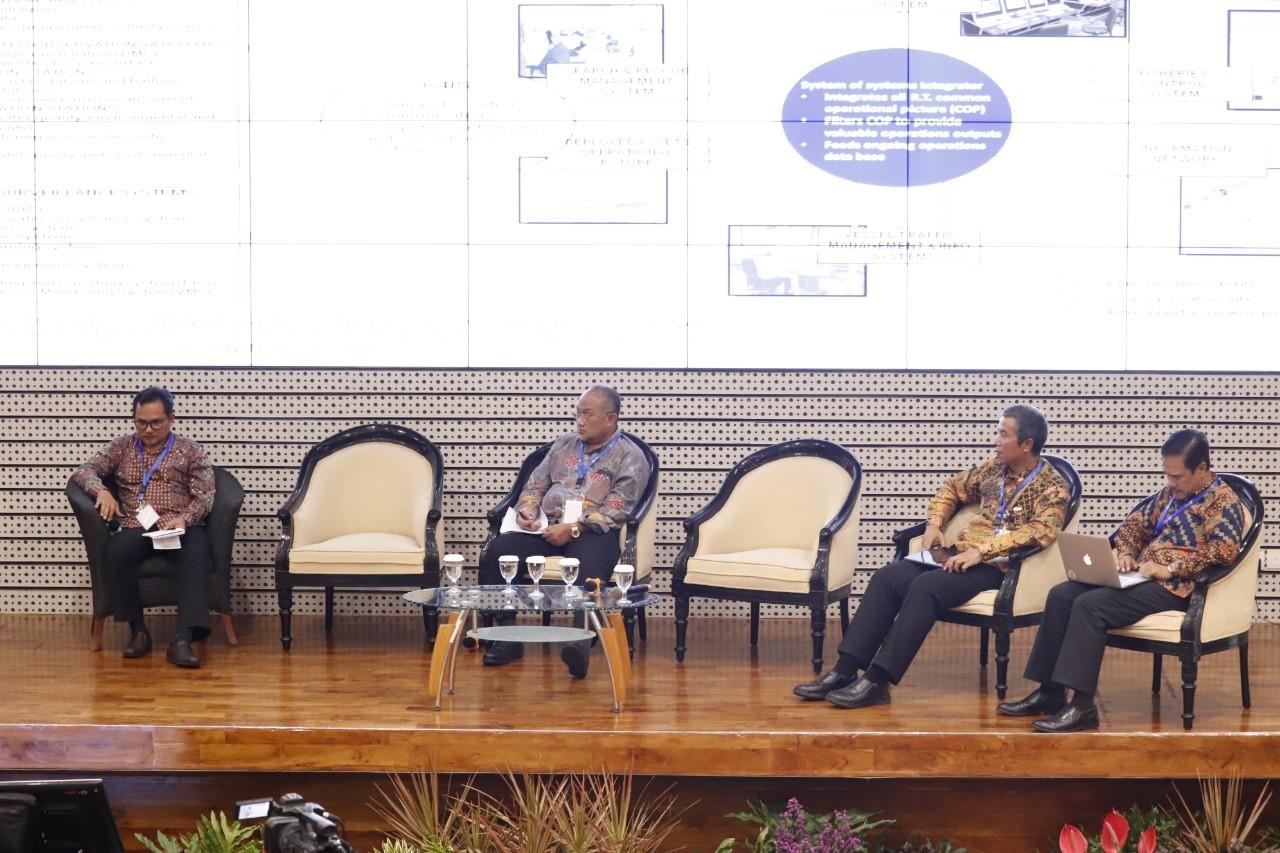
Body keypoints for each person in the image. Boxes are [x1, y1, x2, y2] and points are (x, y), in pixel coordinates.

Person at [793, 404, 1071, 709]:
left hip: (998, 567)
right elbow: (951, 488)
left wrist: (982, 552)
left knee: (926, 587)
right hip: (959, 552)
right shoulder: (993, 469)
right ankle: (844, 670)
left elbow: (1041, 531)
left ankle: (877, 680)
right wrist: (935, 524)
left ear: (1027, 443)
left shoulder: (1052, 487)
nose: (996, 440)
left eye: (1003, 434)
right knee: (888, 577)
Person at [999, 429, 1244, 732]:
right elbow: (1132, 528)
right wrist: (1126, 553)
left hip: (1176, 587)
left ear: (1202, 468)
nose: (1170, 483)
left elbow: (1224, 551)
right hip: (1142, 575)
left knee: (1090, 606)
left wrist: (1173, 568)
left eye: (1177, 476)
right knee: (1062, 594)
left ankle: (1082, 707)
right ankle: (1050, 692)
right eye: (1167, 475)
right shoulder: (1169, 495)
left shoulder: (1223, 501)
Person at [479, 384, 650, 676]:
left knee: (591, 567)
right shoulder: (563, 445)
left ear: (611, 418)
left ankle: (580, 642)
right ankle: (507, 636)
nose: (579, 421)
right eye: (577, 414)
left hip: (594, 531)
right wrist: (528, 511)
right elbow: (535, 484)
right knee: (499, 550)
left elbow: (619, 505)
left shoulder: (630, 456)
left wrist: (573, 528)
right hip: (549, 527)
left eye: (588, 415)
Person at [71, 386, 216, 668]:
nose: (148, 430)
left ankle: (183, 638)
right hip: (136, 524)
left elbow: (206, 496)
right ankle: (137, 631)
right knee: (116, 551)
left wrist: (185, 519)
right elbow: (83, 471)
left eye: (156, 423)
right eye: (141, 423)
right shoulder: (122, 446)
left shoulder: (191, 450)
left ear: (171, 419)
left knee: (197, 552)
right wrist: (101, 491)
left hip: (178, 524)